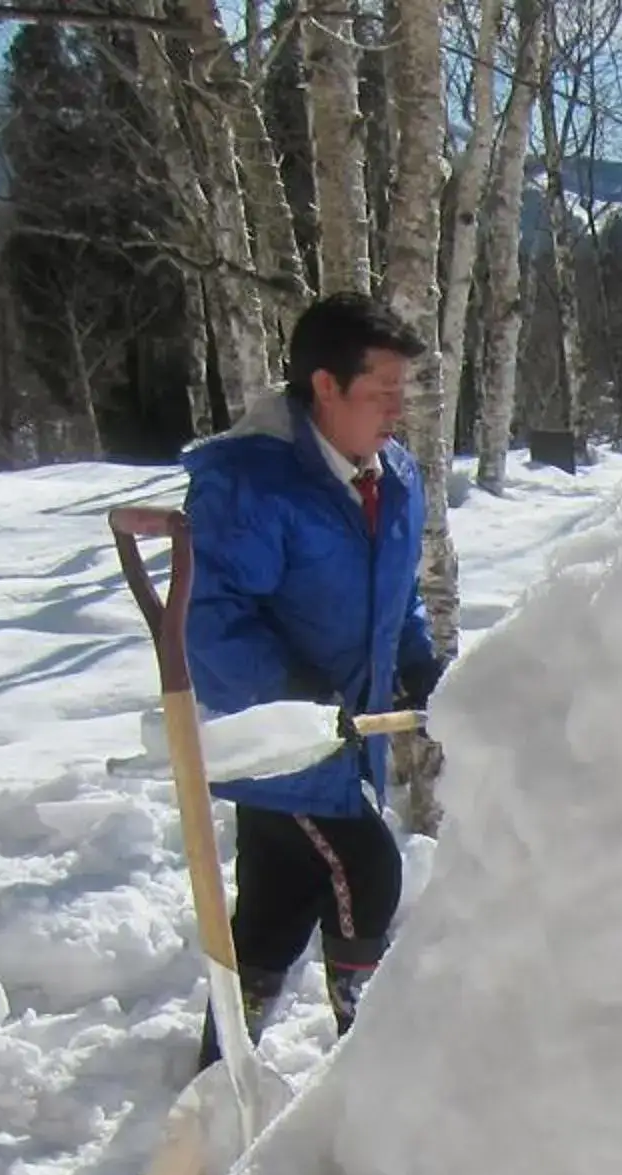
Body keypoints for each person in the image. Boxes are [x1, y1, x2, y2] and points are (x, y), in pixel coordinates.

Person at [182, 292, 441, 1067]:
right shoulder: (250, 485)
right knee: (369, 871)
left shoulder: (391, 476)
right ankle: (368, 1066)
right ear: (324, 386)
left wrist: (419, 667)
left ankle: (218, 1071)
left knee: (276, 902)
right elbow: (211, 618)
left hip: (345, 739)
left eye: (404, 391)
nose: (397, 410)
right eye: (380, 392)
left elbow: (395, 598)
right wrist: (296, 698)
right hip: (278, 738)